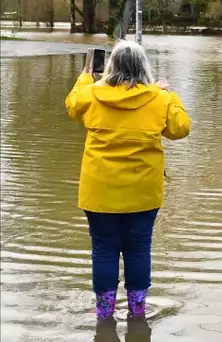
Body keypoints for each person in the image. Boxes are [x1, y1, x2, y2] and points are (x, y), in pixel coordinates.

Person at [65, 40, 191, 322]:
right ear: (144, 66)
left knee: (103, 249)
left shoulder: (92, 94)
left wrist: (86, 74)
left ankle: (104, 313)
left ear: (112, 66)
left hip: (99, 192)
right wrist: (170, 95)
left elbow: (72, 104)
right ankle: (137, 312)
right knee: (138, 249)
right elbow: (180, 129)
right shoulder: (159, 99)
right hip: (143, 192)